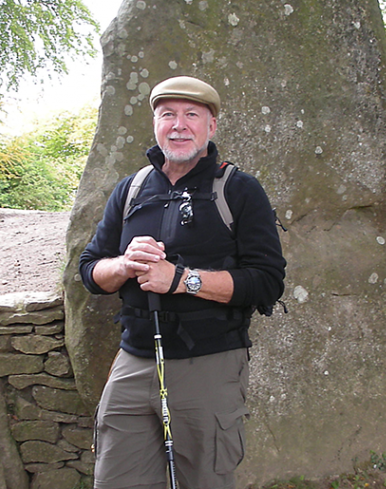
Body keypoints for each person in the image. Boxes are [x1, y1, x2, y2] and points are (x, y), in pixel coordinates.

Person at [79, 75, 286, 489]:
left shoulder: (239, 190)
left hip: (209, 365)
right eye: (167, 114)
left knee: (203, 481)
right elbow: (89, 270)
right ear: (155, 124)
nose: (178, 125)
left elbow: (266, 283)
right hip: (133, 361)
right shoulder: (131, 189)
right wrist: (123, 265)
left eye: (192, 114)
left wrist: (181, 280)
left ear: (211, 126)